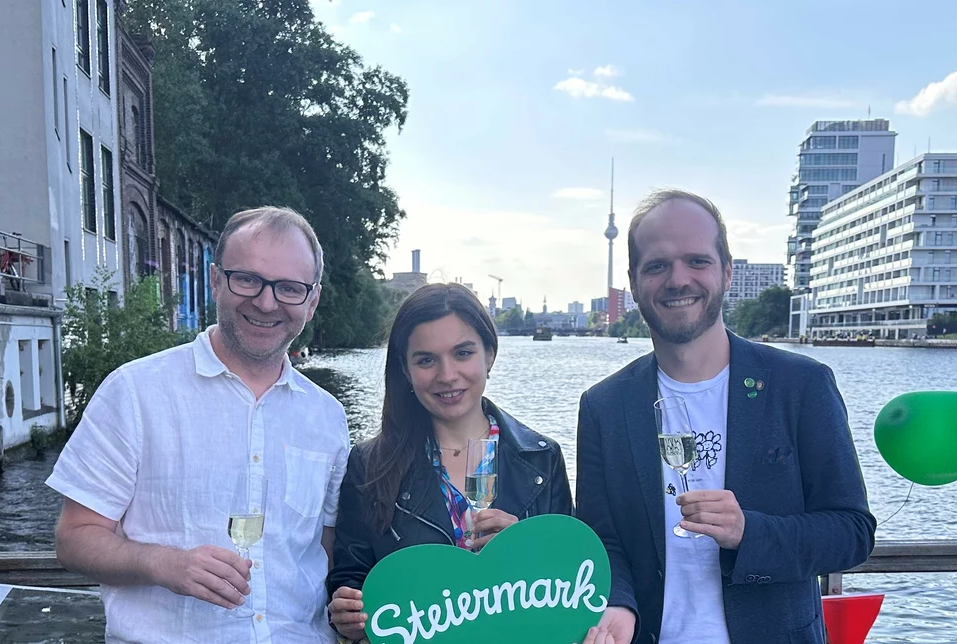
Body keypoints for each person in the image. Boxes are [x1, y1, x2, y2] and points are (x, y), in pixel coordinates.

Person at [575, 190, 876, 644]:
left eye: (697, 261)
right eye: (657, 265)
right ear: (634, 285)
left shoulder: (800, 385)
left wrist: (748, 532)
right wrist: (618, 602)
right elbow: (603, 541)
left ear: (727, 273)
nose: (678, 280)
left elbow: (852, 532)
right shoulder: (604, 406)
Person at [47, 207, 351, 643]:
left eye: (289, 288)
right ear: (215, 279)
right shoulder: (135, 392)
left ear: (312, 300)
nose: (267, 302)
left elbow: (322, 549)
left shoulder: (327, 417)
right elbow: (74, 538)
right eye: (247, 279)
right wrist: (164, 563)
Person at [324, 283, 574, 640]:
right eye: (426, 359)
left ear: (489, 354)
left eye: (462, 353)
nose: (447, 375)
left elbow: (569, 585)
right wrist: (345, 611)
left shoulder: (542, 458)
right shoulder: (369, 465)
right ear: (406, 371)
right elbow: (351, 578)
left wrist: (526, 549)